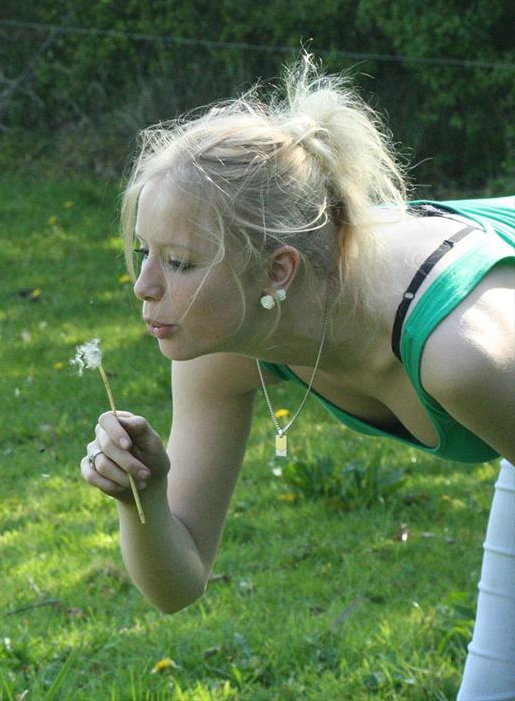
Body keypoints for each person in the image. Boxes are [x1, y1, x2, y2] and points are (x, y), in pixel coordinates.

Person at [80, 55, 514, 699]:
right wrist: (142, 497)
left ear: (278, 271)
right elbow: (179, 583)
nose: (143, 287)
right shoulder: (224, 347)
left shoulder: (462, 353)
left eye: (178, 261)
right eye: (146, 255)